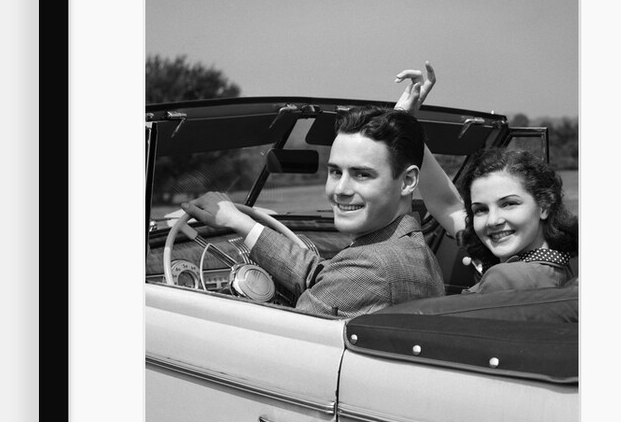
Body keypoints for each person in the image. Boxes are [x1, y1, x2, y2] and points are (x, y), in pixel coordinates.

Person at [182, 105, 446, 317]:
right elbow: (320, 275)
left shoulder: (371, 269)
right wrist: (241, 222)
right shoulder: (408, 246)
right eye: (335, 172)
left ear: (408, 181)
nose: (340, 189)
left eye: (362, 174)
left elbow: (287, 343)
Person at [393, 62, 578, 294]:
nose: (492, 221)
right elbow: (447, 204)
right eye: (480, 209)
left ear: (544, 205)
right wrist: (403, 123)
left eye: (509, 204)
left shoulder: (508, 278)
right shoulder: (562, 259)